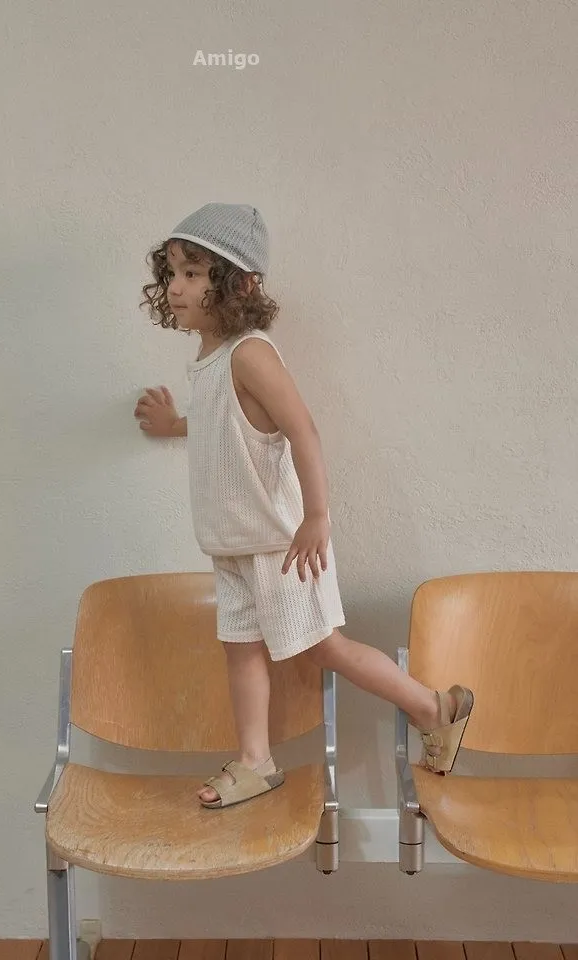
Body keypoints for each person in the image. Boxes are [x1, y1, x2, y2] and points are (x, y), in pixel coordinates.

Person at [135, 202, 474, 809]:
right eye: (173, 273)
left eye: (193, 274)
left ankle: (434, 706)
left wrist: (317, 517)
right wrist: (172, 425)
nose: (176, 288)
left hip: (282, 547)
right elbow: (224, 425)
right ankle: (255, 761)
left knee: (324, 647)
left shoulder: (250, 353)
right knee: (240, 649)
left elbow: (303, 431)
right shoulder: (211, 362)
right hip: (232, 544)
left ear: (238, 284)